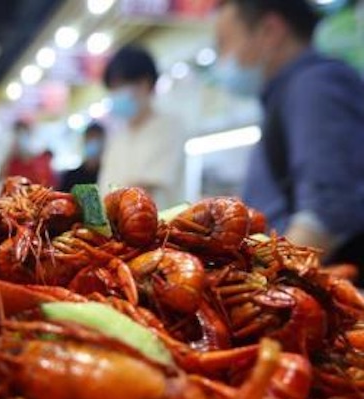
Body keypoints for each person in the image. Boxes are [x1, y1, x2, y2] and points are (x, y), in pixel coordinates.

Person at [214, 0, 364, 270]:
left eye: (224, 43)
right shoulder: (286, 94)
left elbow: (326, 213)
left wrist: (265, 280)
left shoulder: (316, 85)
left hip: (314, 286)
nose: (221, 59)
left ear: (270, 31)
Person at [100, 45, 186, 207]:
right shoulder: (118, 136)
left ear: (145, 83)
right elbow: (105, 188)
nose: (115, 93)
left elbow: (148, 186)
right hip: (115, 228)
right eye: (112, 88)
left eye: (121, 85)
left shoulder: (169, 127)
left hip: (160, 226)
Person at [1, 120, 55, 188]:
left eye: (25, 132)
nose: (21, 137)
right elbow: (4, 182)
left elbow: (51, 185)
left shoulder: (43, 159)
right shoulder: (11, 163)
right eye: (18, 133)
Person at [59, 122, 106, 192]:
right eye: (90, 138)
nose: (93, 143)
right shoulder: (71, 176)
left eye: (97, 139)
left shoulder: (107, 175)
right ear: (84, 141)